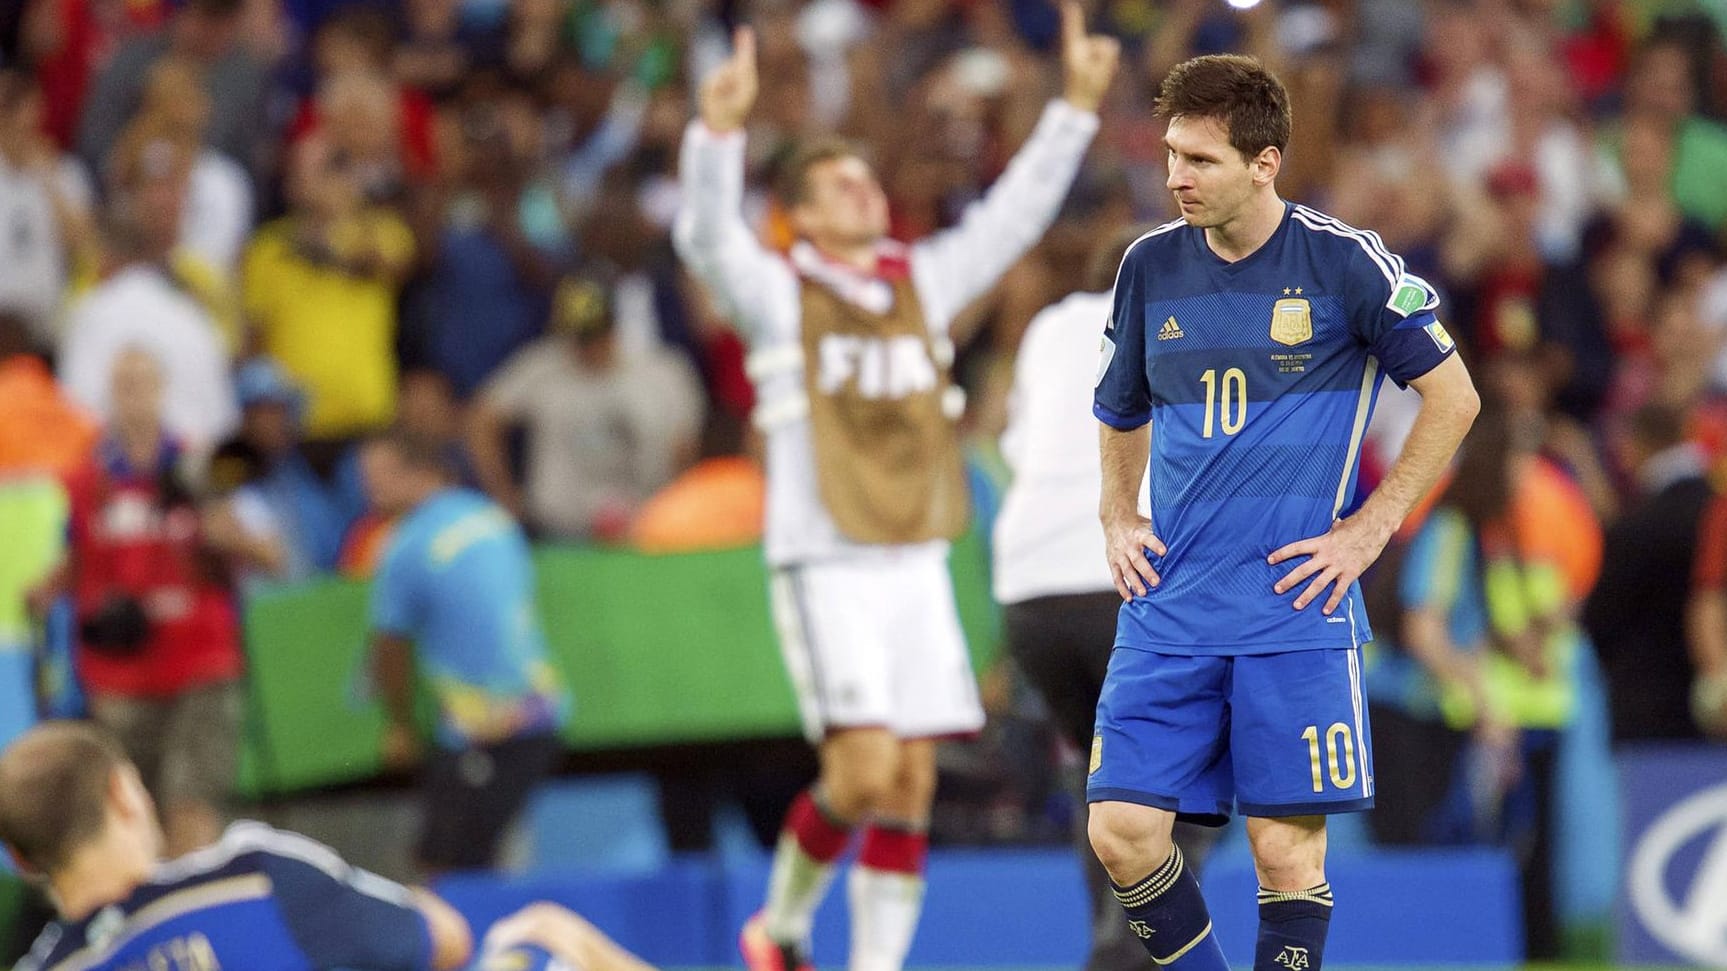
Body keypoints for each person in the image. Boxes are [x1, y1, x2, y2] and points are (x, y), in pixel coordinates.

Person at [673, 6, 1117, 970]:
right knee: (864, 770)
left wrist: (1074, 108)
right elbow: (705, 236)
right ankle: (781, 925)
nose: (864, 194)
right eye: (839, 185)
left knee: (912, 781)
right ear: (801, 213)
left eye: (866, 179)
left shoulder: (920, 281)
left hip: (913, 553)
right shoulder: (780, 296)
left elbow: (1011, 221)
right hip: (825, 556)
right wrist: (714, 137)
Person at [1088, 55, 1479, 971]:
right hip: (1170, 600)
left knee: (1283, 851)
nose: (1177, 176)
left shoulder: (1344, 263)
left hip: (1291, 605)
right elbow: (1117, 406)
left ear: (1265, 163)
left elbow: (1454, 396)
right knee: (1122, 831)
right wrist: (1116, 514)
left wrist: (1369, 527)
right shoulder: (1147, 265)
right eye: (1171, 154)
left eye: (1203, 160)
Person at [994, 225, 1216, 971]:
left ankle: (1107, 934)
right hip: (1129, 573)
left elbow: (1015, 447)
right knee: (1198, 769)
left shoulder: (1047, 328)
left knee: (1104, 777)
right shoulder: (1180, 317)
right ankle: (1129, 948)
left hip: (1029, 587)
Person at [0, 719, 639, 971]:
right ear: (124, 796)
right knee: (544, 934)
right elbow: (444, 940)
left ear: (22, 860)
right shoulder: (252, 875)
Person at [33, 349, 272, 857]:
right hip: (121, 671)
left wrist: (220, 533)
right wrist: (45, 590)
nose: (134, 396)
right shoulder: (87, 481)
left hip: (200, 659)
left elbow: (268, 554)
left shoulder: (200, 469)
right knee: (134, 812)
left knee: (190, 802)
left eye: (144, 382)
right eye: (124, 384)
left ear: (163, 390)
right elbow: (76, 559)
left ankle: (192, 912)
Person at [360, 430, 569, 875]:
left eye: (381, 475)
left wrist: (397, 725)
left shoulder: (403, 546)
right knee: (476, 858)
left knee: (439, 864)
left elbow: (389, 646)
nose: (370, 489)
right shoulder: (494, 517)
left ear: (421, 472)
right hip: (541, 710)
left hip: (482, 729)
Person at [467, 272, 704, 542]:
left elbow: (685, 450)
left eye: (594, 334)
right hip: (560, 533)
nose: (586, 346)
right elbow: (481, 417)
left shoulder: (662, 370)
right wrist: (504, 496)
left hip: (646, 533)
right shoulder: (544, 365)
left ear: (613, 326)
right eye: (578, 336)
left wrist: (676, 514)